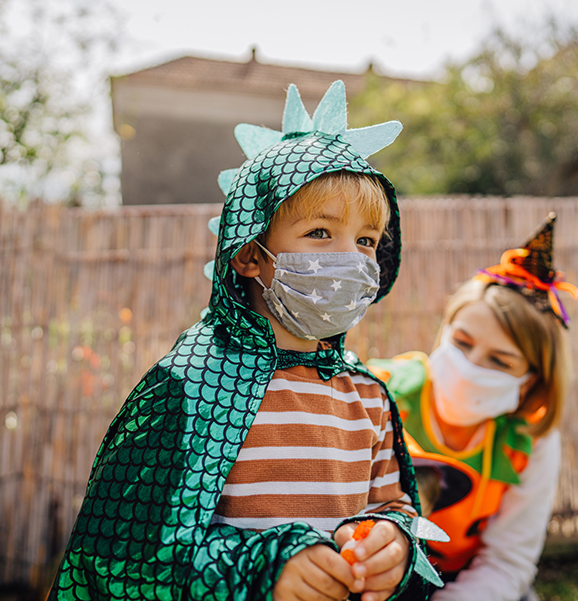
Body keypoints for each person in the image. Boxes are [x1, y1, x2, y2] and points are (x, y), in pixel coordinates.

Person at [49, 81, 443, 601]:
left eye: (367, 240)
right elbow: (129, 554)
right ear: (249, 253)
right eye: (321, 233)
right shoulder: (188, 388)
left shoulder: (366, 395)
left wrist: (393, 545)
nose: (351, 257)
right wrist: (264, 569)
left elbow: (394, 507)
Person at [368, 214, 578, 601]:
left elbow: (507, 562)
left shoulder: (533, 441)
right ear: (444, 331)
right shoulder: (374, 393)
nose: (470, 367)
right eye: (462, 343)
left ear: (531, 379)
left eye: (500, 361)